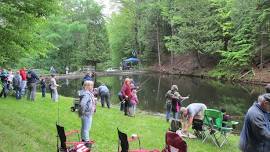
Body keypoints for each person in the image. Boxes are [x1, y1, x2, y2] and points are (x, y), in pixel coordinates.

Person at [79, 81, 96, 148]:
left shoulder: (88, 93)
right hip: (87, 114)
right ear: (88, 86)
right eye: (91, 86)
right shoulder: (86, 94)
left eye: (92, 85)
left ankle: (83, 140)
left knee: (84, 128)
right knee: (86, 129)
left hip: (86, 114)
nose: (92, 87)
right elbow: (82, 103)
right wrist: (86, 110)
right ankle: (87, 143)